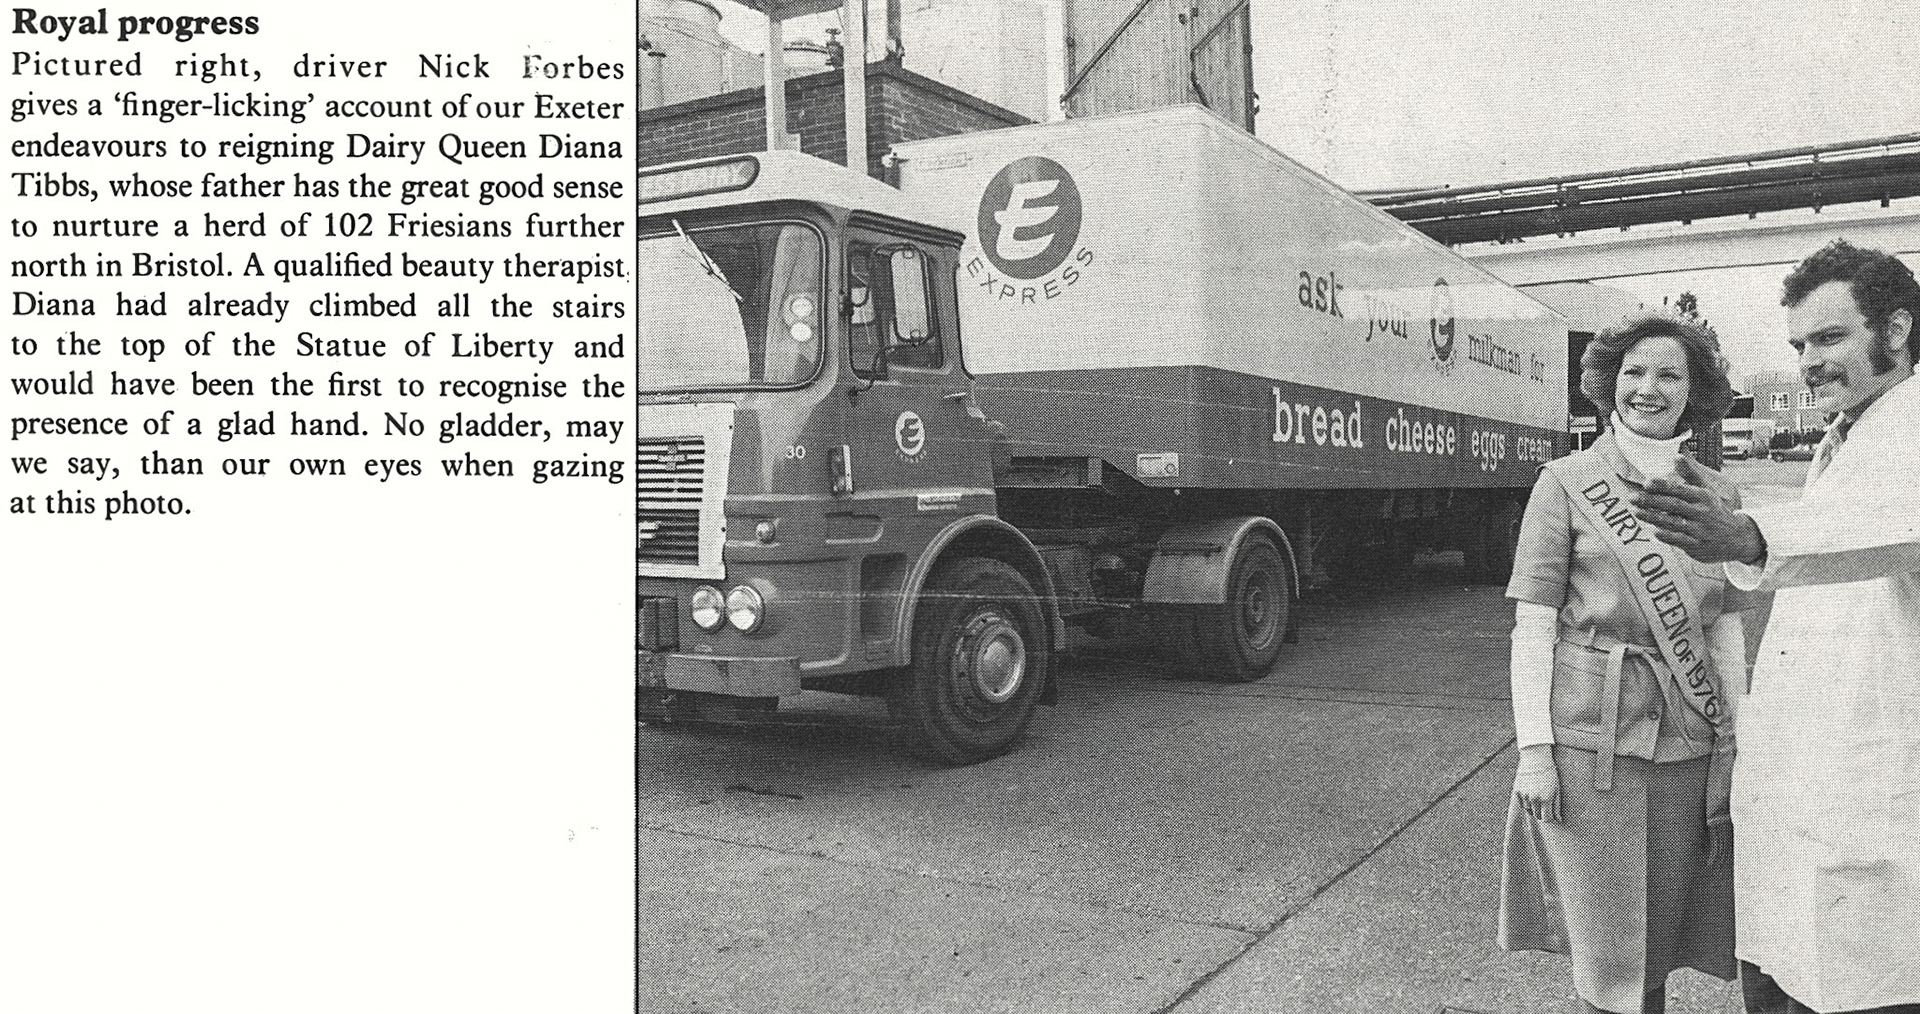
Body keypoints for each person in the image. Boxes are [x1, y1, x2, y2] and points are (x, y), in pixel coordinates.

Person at [1633, 239, 1920, 1014]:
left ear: (1895, 331)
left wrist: (1752, 536)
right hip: (1803, 800)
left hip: (1874, 805)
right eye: (1799, 346)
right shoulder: (1846, 439)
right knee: (1787, 969)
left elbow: (1889, 526)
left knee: (1863, 980)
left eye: (1829, 338)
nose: (1809, 364)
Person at [1499, 313, 1756, 1014]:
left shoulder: (1718, 494)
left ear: (1693, 390)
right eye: (1634, 371)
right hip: (1589, 748)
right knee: (1608, 952)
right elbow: (1533, 626)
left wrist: (1740, 736)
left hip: (1689, 743)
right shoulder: (1565, 482)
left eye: (1669, 373)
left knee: (1664, 939)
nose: (1649, 388)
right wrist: (1534, 751)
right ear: (1609, 383)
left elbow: (1724, 626)